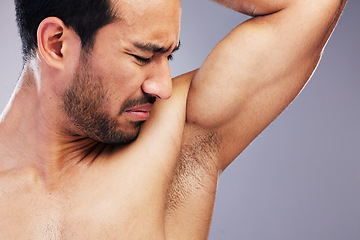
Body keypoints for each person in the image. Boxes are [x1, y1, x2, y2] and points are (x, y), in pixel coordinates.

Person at [0, 0, 346, 239]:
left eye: (168, 56)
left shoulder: (176, 135)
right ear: (57, 44)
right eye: (142, 56)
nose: (163, 87)